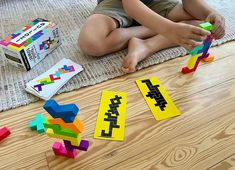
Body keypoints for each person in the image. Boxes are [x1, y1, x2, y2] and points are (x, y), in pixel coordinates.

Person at [78, 0, 225, 73]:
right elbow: (131, 5)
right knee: (91, 42)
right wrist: (170, 28)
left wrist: (210, 13)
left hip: (156, 2)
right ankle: (154, 29)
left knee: (202, 24)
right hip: (118, 2)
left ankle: (147, 46)